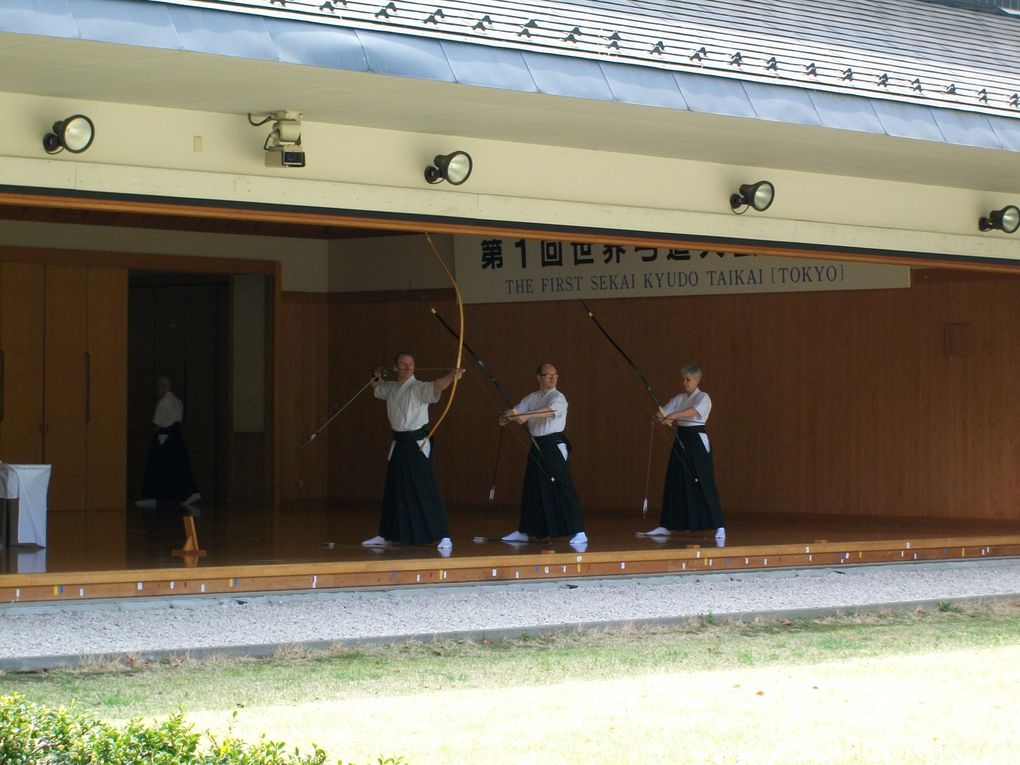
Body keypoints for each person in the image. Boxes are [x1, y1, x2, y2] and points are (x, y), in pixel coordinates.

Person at [362, 353, 464, 550]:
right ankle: (386, 534)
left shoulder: (419, 387)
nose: (408, 367)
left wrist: (451, 376)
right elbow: (376, 386)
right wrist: (376, 373)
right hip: (399, 444)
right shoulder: (391, 388)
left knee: (425, 489)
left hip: (416, 444)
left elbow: (436, 386)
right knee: (394, 490)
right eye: (403, 364)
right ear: (396, 367)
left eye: (411, 364)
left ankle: (443, 535)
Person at [500, 363, 587, 550]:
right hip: (537, 446)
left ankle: (579, 531)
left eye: (555, 375)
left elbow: (549, 411)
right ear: (538, 377)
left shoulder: (558, 397)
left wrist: (525, 415)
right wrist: (506, 416)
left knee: (563, 486)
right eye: (548, 376)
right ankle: (524, 531)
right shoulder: (532, 398)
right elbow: (515, 412)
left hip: (553, 446)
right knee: (532, 488)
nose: (553, 378)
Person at [641, 363, 725, 543]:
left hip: (696, 439)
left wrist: (673, 416)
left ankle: (719, 525)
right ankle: (666, 524)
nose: (684, 382)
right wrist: (657, 417)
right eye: (683, 379)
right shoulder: (680, 398)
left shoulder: (703, 397)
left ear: (697, 380)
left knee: (704, 480)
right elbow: (664, 411)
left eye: (688, 379)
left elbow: (694, 412)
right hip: (682, 439)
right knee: (674, 479)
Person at [135, 374, 200, 508]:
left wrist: (153, 435)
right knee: (178, 467)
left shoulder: (163, 402)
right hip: (176, 436)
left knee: (154, 466)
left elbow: (157, 424)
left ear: (163, 387)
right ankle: (189, 492)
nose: (156, 389)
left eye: (158, 386)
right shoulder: (178, 402)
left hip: (163, 437)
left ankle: (151, 496)